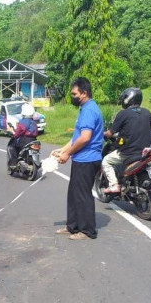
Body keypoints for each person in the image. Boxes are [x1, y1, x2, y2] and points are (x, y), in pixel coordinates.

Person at [52, 77, 104, 240]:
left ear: (84, 93)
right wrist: (63, 149)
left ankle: (88, 230)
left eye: (74, 93)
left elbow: (85, 138)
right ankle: (73, 226)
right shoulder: (85, 108)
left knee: (82, 195)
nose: (72, 96)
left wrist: (67, 154)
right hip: (81, 158)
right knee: (74, 194)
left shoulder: (89, 110)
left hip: (87, 159)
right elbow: (77, 137)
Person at [102, 88, 151, 194]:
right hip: (145, 152)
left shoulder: (123, 114)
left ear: (128, 99)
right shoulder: (147, 113)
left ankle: (114, 185)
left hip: (128, 153)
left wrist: (102, 134)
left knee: (106, 161)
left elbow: (110, 133)